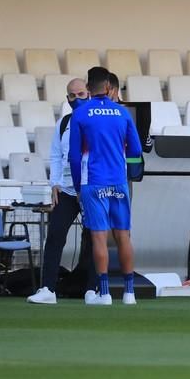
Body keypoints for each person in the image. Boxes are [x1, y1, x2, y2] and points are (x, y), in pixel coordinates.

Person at [69, 67, 142, 305]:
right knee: (123, 237)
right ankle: (130, 293)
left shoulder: (80, 114)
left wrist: (79, 187)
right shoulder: (122, 113)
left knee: (99, 238)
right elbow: (136, 151)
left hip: (93, 182)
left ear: (88, 89)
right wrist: (126, 168)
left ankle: (105, 293)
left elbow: (73, 156)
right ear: (109, 88)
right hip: (118, 182)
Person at [27, 78, 97, 304]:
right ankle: (47, 288)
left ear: (90, 93)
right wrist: (54, 183)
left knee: (95, 238)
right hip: (66, 190)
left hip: (91, 189)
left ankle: (92, 290)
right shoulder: (64, 122)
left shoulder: (99, 122)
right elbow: (56, 156)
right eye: (72, 96)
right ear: (67, 98)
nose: (77, 99)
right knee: (55, 236)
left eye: (81, 94)